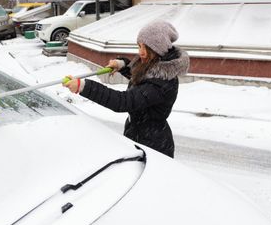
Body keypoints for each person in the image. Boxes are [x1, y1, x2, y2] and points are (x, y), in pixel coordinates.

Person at [63, 20, 190, 158]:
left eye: (145, 48)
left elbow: (123, 102)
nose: (140, 52)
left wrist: (84, 87)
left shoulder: (161, 83)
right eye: (139, 46)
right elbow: (143, 78)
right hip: (139, 135)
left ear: (157, 49)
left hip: (153, 145)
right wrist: (122, 64)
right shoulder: (155, 64)